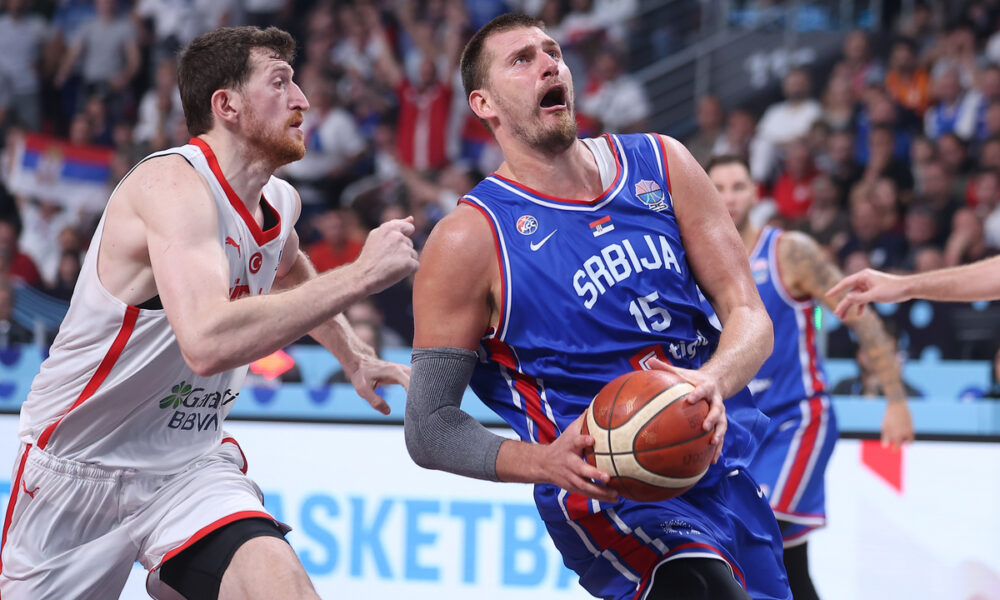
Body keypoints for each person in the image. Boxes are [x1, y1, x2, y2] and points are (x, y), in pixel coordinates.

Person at [0, 26, 419, 600]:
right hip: (78, 468)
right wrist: (361, 275)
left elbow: (288, 266)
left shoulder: (280, 200)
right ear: (227, 105)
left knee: (285, 589)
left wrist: (354, 355)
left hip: (187, 468)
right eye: (280, 82)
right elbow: (206, 342)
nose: (302, 99)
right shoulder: (171, 185)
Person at [405, 13, 790, 600]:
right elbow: (429, 426)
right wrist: (543, 462)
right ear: (484, 104)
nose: (548, 65)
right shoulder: (470, 238)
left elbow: (750, 314)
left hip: (712, 459)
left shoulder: (663, 164)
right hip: (608, 486)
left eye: (552, 51)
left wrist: (713, 379)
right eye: (522, 59)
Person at [707, 155, 915, 600]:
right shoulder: (698, 263)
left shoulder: (789, 252)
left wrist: (895, 399)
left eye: (738, 186)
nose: (729, 197)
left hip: (797, 419)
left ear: (756, 193)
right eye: (718, 187)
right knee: (790, 566)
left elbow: (861, 317)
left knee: (752, 535)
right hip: (739, 430)